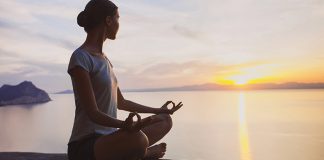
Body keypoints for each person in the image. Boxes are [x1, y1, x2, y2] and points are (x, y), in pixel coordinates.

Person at [66, 0, 183, 160]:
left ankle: (137, 151)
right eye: (118, 18)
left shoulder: (105, 60)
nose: (119, 23)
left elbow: (122, 102)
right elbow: (93, 113)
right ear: (108, 20)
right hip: (86, 145)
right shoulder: (81, 57)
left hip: (112, 138)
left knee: (164, 121)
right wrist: (125, 125)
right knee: (139, 139)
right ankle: (145, 154)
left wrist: (158, 110)